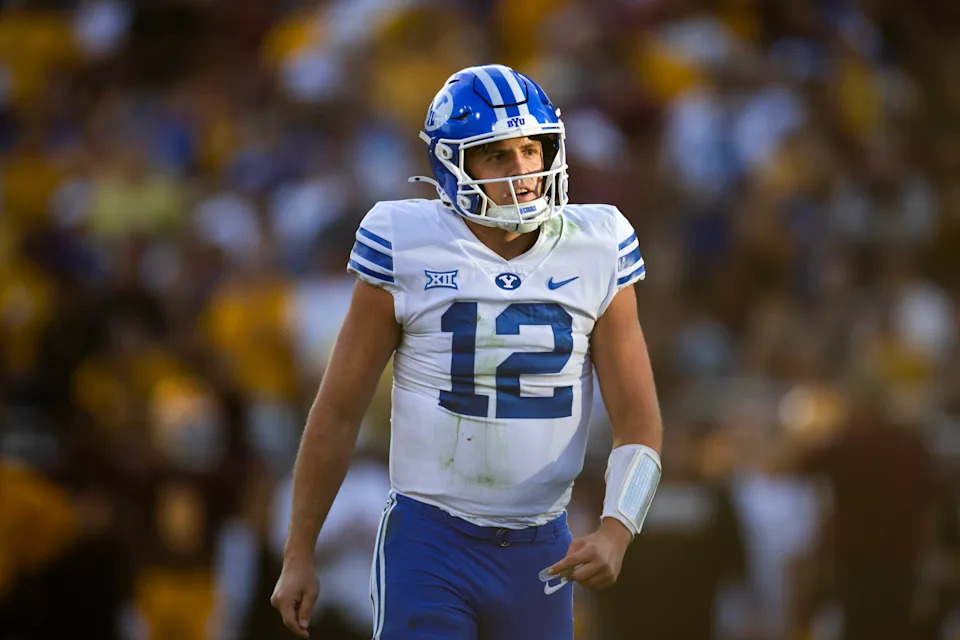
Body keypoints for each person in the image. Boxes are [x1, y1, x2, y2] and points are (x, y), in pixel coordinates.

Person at [270, 64, 663, 639]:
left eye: (533, 149)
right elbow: (337, 410)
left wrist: (617, 528)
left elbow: (639, 421)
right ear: (452, 165)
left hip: (542, 548)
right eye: (498, 156)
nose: (524, 171)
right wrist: (299, 550)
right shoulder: (405, 242)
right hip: (431, 542)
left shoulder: (596, 245)